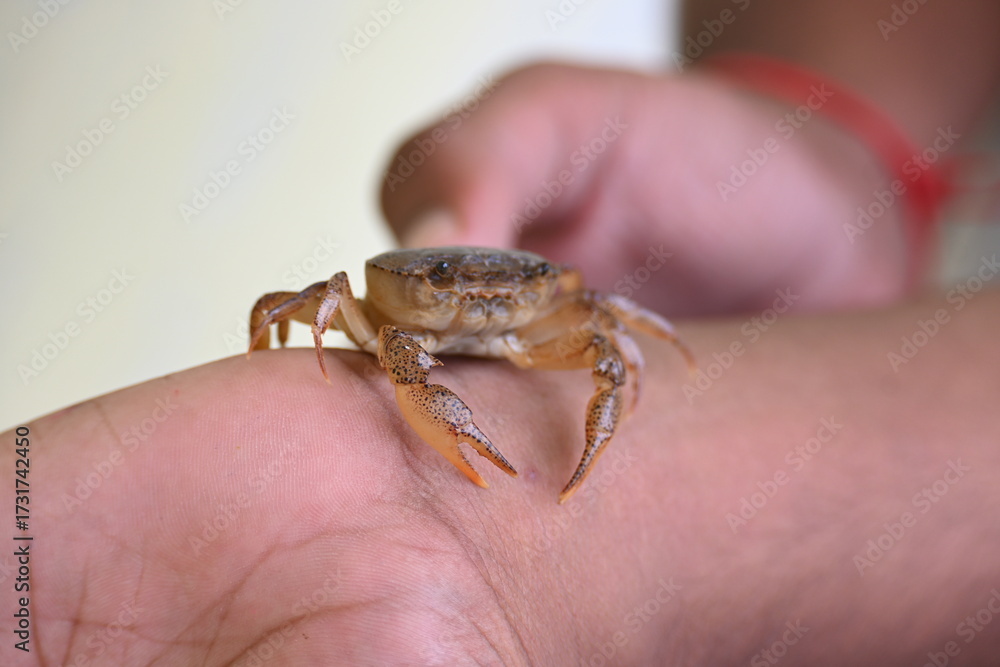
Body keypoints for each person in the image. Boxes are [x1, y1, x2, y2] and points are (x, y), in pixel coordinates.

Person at [9, 1, 1000, 665]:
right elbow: (303, 311)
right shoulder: (381, 308)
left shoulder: (558, 308)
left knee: (612, 348)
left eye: (504, 287)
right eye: (454, 277)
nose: (477, 295)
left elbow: (618, 338)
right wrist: (843, 141)